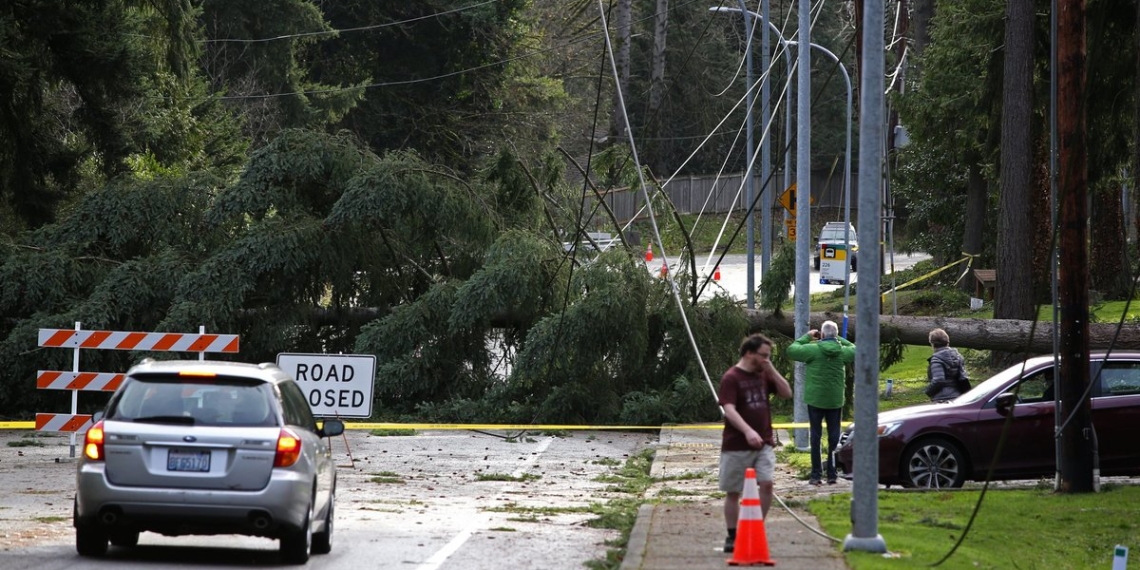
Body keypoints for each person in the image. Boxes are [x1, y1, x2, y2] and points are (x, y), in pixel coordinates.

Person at [719, 333, 793, 554]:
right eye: (763, 355)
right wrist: (747, 431)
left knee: (767, 483)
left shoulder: (764, 373)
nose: (766, 360)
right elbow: (729, 409)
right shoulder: (732, 377)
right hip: (736, 444)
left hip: (764, 442)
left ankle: (754, 528)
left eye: (768, 356)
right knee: (733, 491)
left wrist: (771, 370)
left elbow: (787, 393)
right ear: (749, 353)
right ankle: (733, 535)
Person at [786, 320, 855, 486]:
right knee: (834, 437)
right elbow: (855, 348)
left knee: (815, 437)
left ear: (822, 334)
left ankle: (816, 474)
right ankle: (832, 474)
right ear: (835, 335)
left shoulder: (812, 350)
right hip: (834, 401)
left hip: (815, 400)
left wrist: (808, 337)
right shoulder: (842, 351)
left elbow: (791, 350)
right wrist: (838, 338)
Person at [926, 328, 969, 402]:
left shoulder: (937, 359)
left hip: (942, 398)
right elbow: (963, 377)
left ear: (932, 344)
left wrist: (928, 391)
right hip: (958, 397)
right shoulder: (958, 356)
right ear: (947, 341)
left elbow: (938, 380)